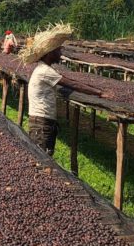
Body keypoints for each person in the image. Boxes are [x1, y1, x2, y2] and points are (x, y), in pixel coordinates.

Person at [19, 23, 102, 155]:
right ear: (50, 53)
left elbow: (67, 80)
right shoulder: (45, 71)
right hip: (41, 122)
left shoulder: (44, 69)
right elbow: (72, 84)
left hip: (41, 121)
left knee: (42, 155)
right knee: (42, 157)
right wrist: (99, 92)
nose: (60, 53)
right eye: (58, 50)